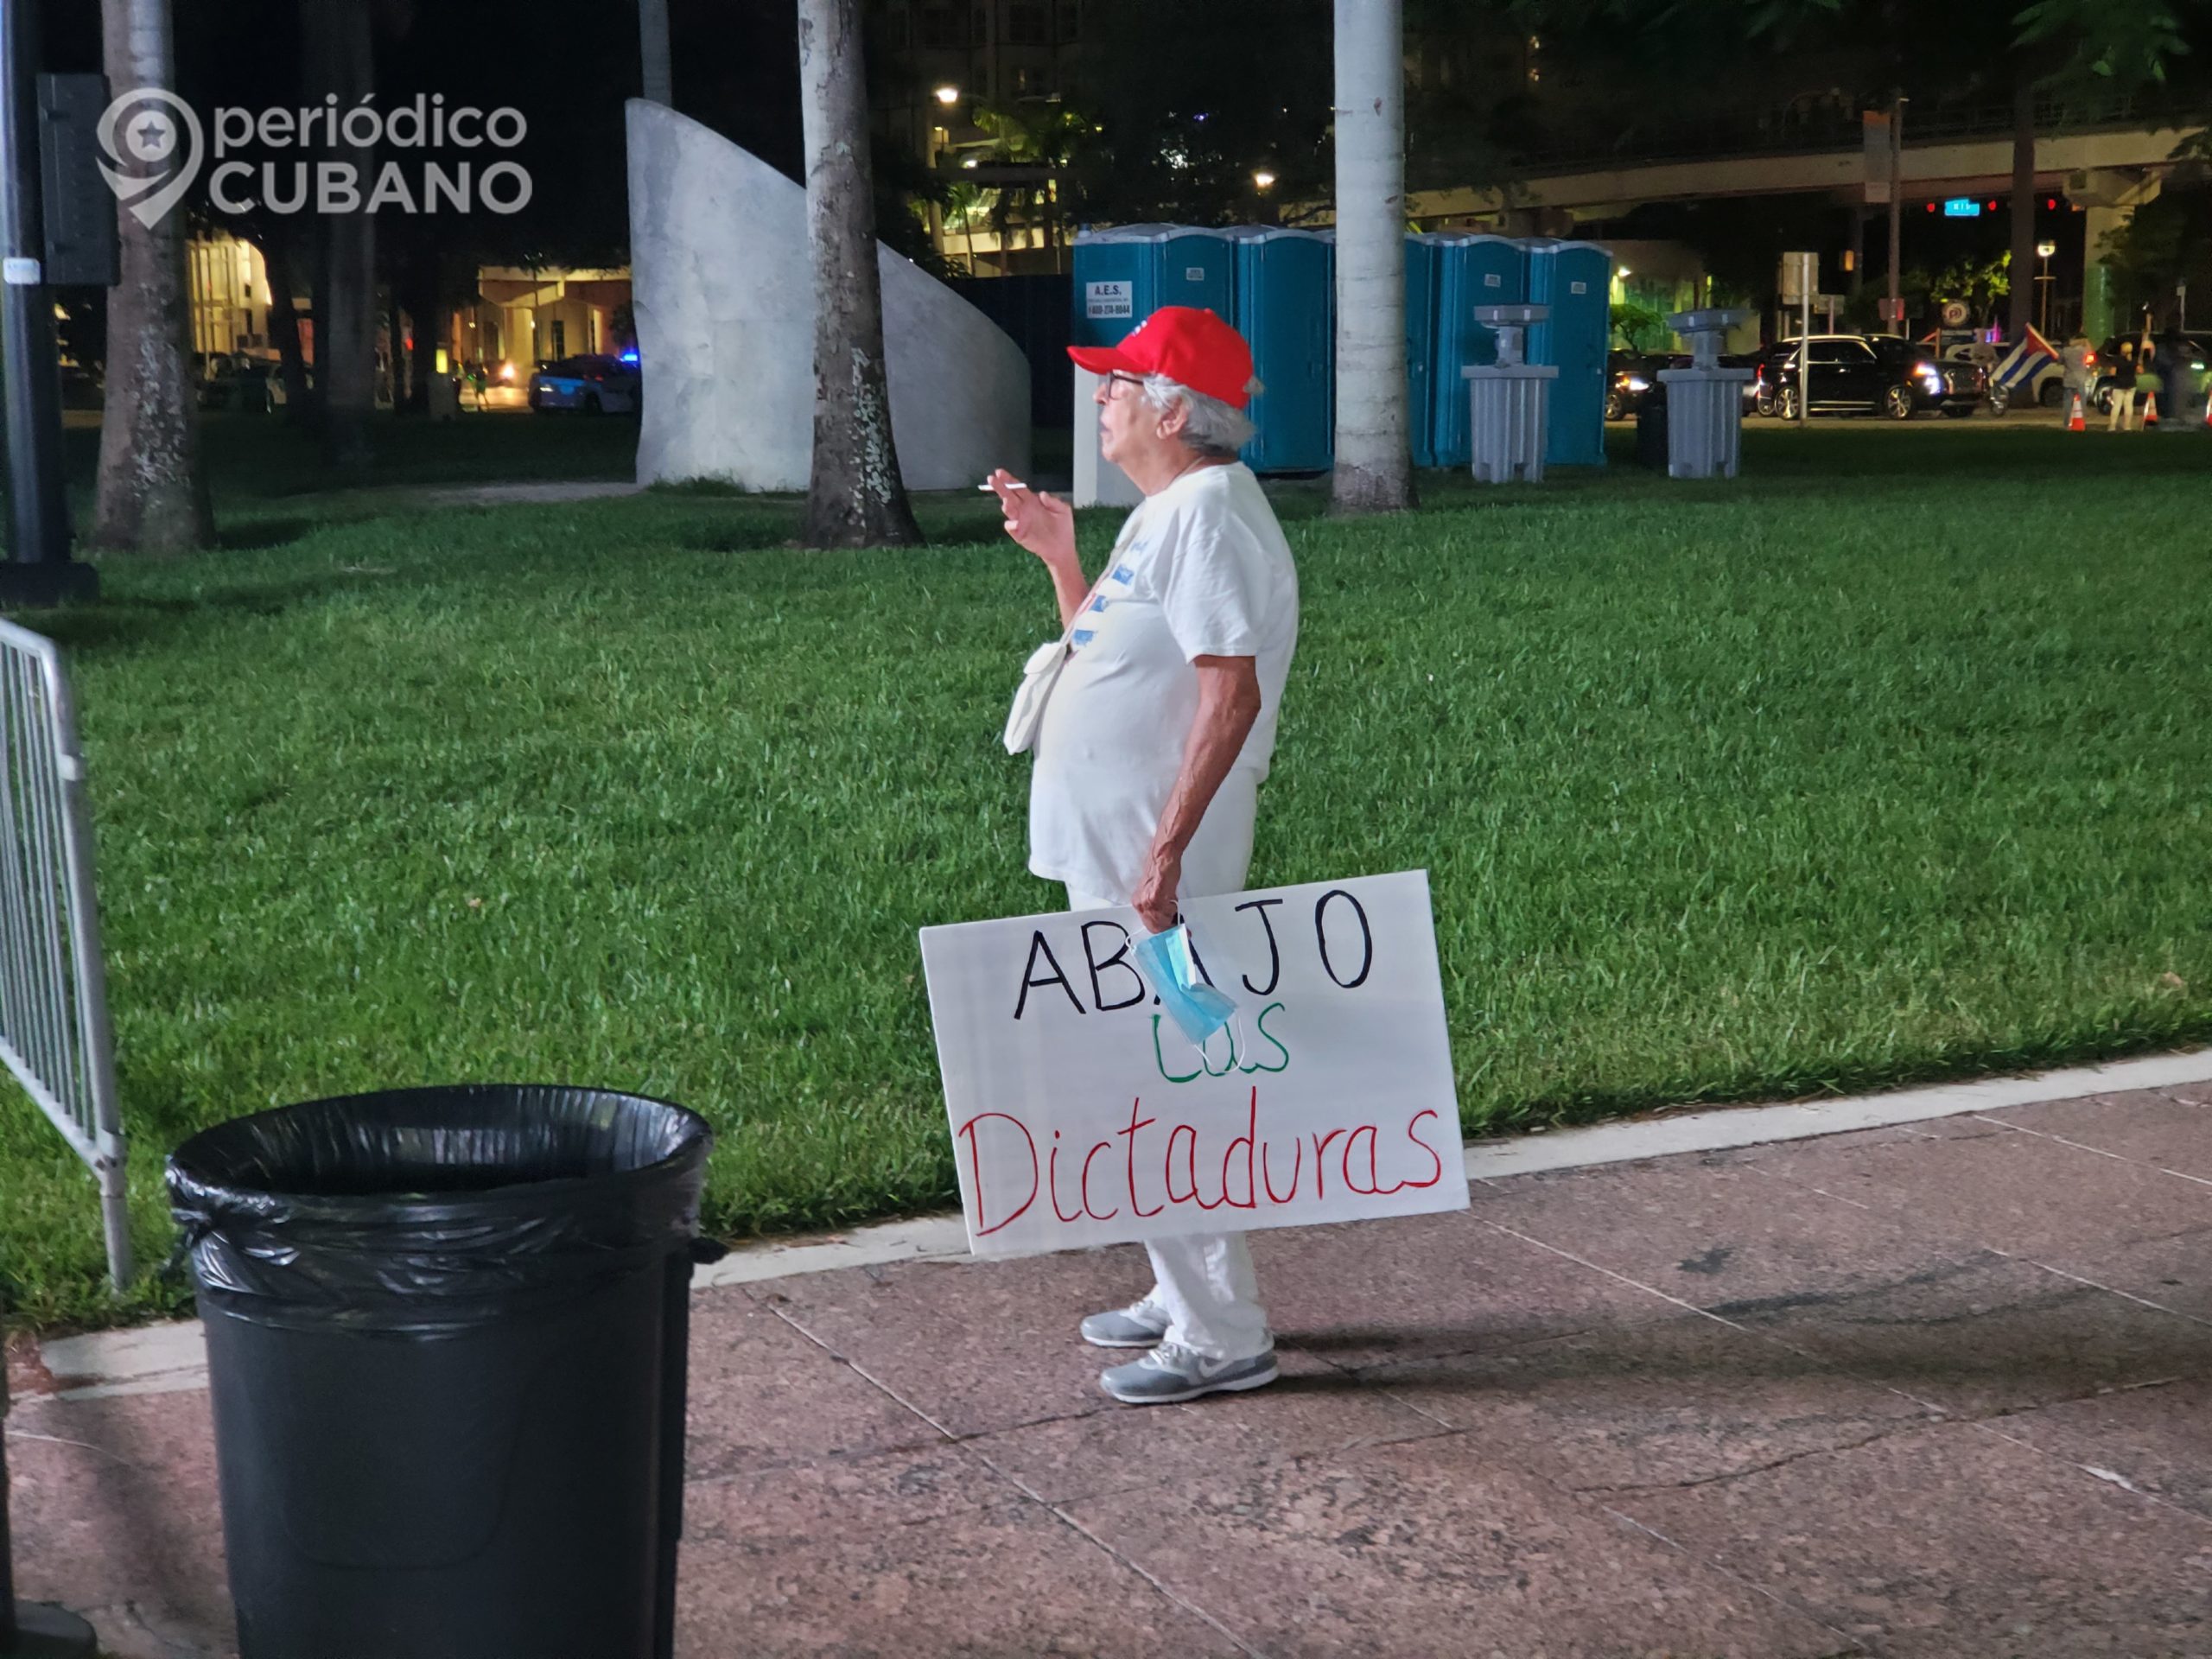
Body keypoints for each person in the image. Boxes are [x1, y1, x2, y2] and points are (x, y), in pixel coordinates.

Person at [987, 305, 1299, 1408]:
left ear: (1174, 410)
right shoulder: (1169, 511)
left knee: (1163, 1083)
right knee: (1145, 1069)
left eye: (1118, 384)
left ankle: (1222, 1333)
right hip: (1123, 850)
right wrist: (1059, 556)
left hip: (1149, 862)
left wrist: (1161, 861)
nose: (1100, 399)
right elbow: (1106, 656)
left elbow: (1231, 690)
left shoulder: (1204, 515)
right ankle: (1183, 1294)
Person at [2107, 341, 2138, 431]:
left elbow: (2112, 373)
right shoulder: (2134, 360)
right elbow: (2140, 370)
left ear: (2122, 350)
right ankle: (2127, 426)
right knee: (2129, 406)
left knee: (2117, 406)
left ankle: (2112, 426)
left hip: (2119, 385)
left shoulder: (2117, 359)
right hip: (2131, 385)